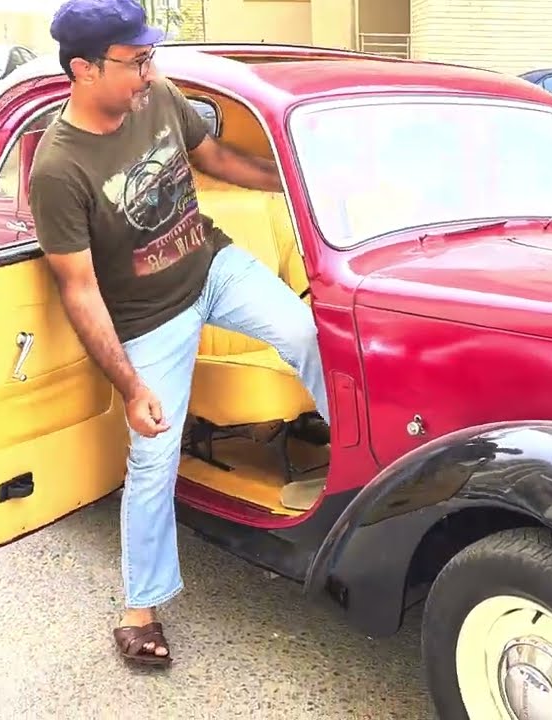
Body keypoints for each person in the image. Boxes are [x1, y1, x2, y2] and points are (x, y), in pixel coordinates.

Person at [29, 0, 330, 667]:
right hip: (146, 317)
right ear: (83, 68)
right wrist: (130, 386)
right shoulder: (58, 169)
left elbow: (217, 156)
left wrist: (301, 184)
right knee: (153, 456)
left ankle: (355, 476)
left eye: (149, 56)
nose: (149, 71)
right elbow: (78, 290)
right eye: (135, 60)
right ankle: (141, 608)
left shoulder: (157, 95)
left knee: (307, 333)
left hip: (212, 264)